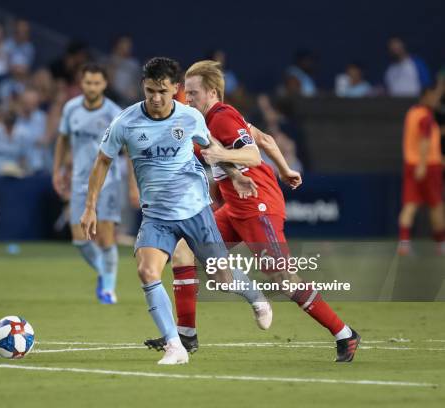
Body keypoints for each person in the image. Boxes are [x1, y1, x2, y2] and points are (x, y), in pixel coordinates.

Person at [144, 60, 361, 362]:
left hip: (258, 206)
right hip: (236, 206)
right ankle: (186, 336)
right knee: (185, 252)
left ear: (211, 91)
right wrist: (285, 169)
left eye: (193, 93)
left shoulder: (221, 117)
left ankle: (344, 334)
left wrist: (222, 154)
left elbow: (253, 154)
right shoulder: (209, 119)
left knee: (284, 278)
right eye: (186, 93)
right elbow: (265, 139)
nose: (188, 98)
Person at [80, 57, 271, 365]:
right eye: (150, 90)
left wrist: (234, 174)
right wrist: (90, 208)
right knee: (147, 270)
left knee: (222, 278)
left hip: (195, 210)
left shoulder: (191, 118)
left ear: (176, 90)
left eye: (163, 91)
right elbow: (103, 161)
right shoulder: (125, 122)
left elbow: (212, 151)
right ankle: (175, 345)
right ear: (143, 86)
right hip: (156, 216)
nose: (156, 98)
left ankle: (255, 296)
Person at [52, 63, 130, 304]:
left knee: (106, 238)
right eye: (88, 82)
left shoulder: (114, 113)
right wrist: (57, 171)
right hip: (78, 181)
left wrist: (135, 186)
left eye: (97, 83)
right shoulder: (71, 109)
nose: (92, 87)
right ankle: (103, 271)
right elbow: (63, 140)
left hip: (109, 182)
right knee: (79, 239)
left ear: (104, 84)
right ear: (81, 82)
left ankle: (108, 289)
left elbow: (128, 150)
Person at [398, 80, 445, 255]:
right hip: (428, 166)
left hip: (411, 164)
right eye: (434, 96)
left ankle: (403, 244)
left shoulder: (412, 113)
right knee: (436, 206)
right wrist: (423, 164)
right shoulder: (426, 116)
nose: (436, 99)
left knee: (409, 205)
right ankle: (441, 245)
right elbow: (425, 142)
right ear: (426, 96)